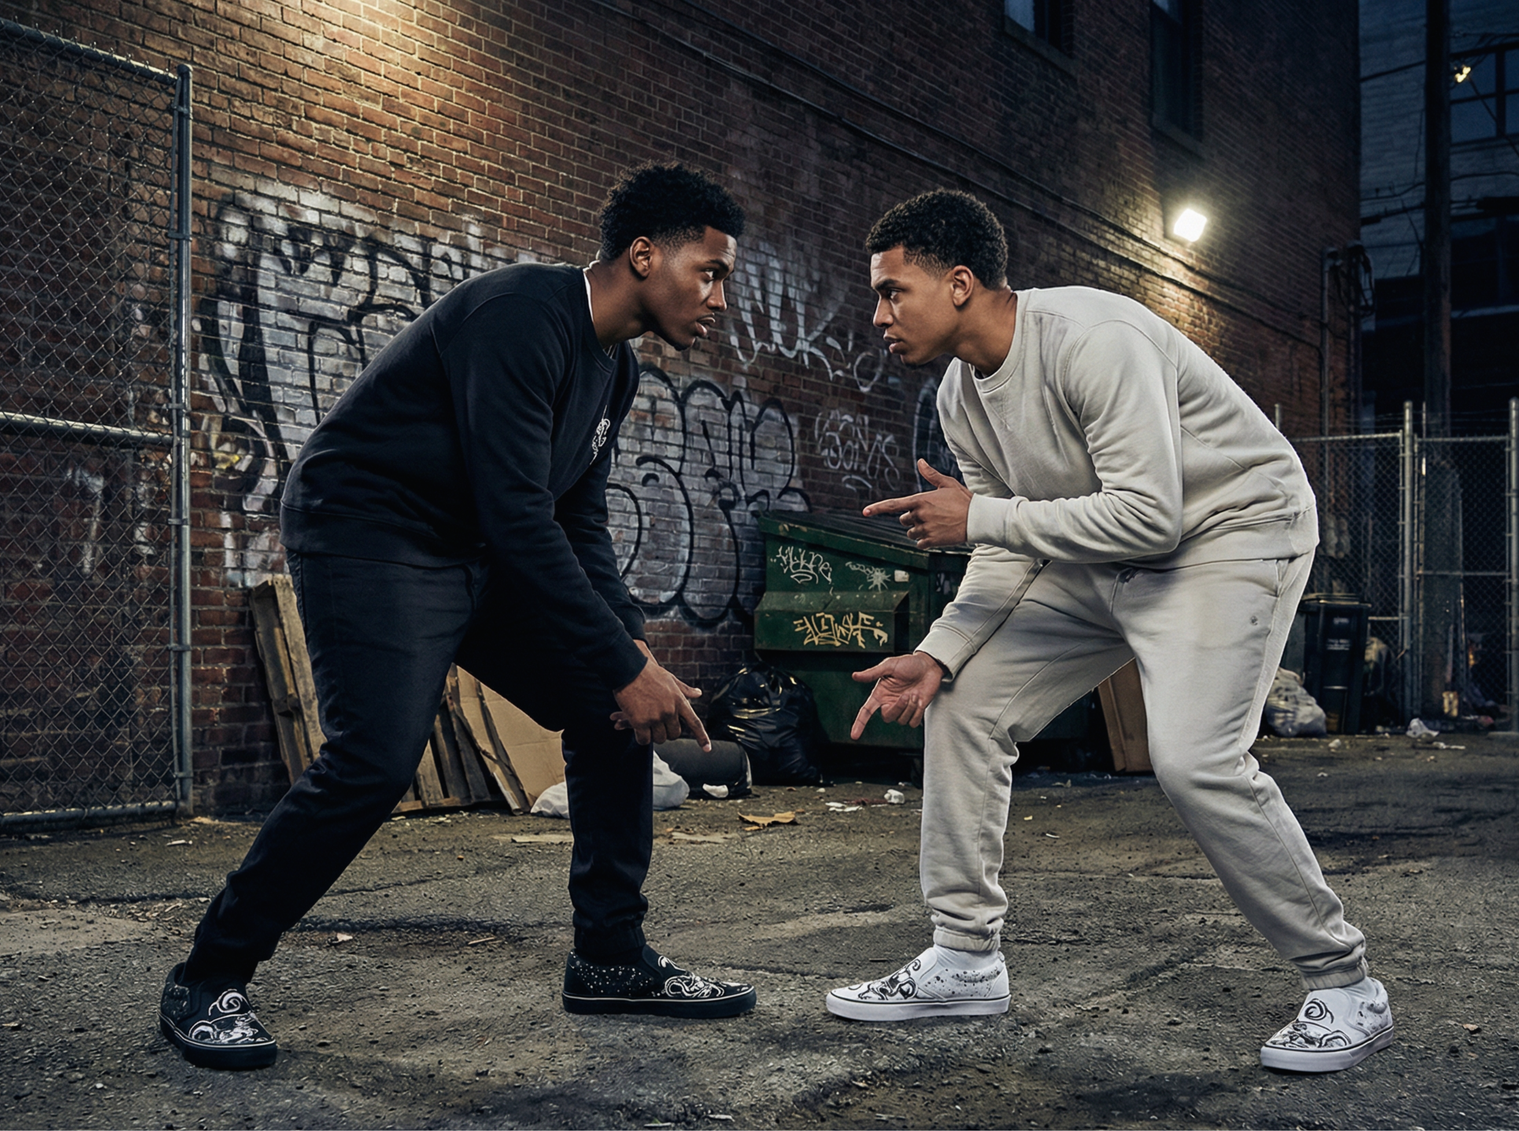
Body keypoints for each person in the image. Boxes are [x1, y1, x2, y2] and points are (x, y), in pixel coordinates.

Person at [160, 163, 758, 1070]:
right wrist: (623, 662)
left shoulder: (615, 372)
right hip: (373, 529)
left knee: (609, 703)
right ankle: (208, 975)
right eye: (709, 272)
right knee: (373, 759)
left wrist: (628, 646)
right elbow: (518, 512)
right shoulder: (521, 314)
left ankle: (609, 959)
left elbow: (575, 517)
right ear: (644, 255)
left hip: (474, 542)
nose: (719, 298)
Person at [823, 190, 1392, 1074]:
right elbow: (1011, 542)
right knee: (963, 700)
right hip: (1103, 552)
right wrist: (937, 651)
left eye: (894, 290)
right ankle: (965, 957)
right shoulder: (961, 399)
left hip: (1229, 532)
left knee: (1197, 759)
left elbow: (1149, 518)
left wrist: (982, 518)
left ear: (962, 283)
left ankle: (1345, 981)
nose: (879, 313)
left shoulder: (1094, 338)